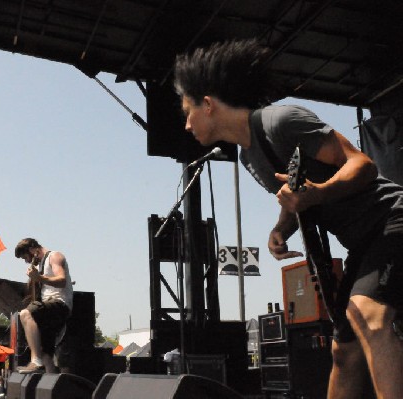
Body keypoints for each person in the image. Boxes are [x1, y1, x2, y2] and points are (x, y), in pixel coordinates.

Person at [173, 39, 403, 399]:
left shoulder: (281, 120)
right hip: (363, 242)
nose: (186, 125)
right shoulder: (250, 156)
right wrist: (281, 228)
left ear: (208, 105)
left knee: (369, 316)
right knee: (344, 352)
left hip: (393, 220)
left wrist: (320, 193)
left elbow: (363, 164)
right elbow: (295, 195)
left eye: (187, 111)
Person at [14, 238, 73, 374]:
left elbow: (62, 280)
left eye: (26, 257)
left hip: (60, 304)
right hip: (49, 307)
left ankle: (35, 360)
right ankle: (50, 383)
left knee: (25, 314)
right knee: (46, 352)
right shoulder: (40, 265)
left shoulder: (54, 256)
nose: (27, 261)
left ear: (32, 250)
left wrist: (39, 278)